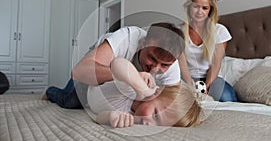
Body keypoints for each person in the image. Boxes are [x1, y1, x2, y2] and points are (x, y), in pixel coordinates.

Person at [43, 22, 186, 109]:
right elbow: (78, 72)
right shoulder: (126, 38)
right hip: (96, 66)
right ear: (143, 43)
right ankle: (51, 91)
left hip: (119, 86)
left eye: (165, 65)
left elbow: (173, 99)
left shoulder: (172, 61)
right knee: (71, 101)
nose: (156, 68)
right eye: (152, 58)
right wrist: (129, 76)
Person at [89, 57, 202, 128]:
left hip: (87, 102)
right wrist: (138, 83)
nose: (149, 123)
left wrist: (110, 117)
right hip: (85, 83)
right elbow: (117, 63)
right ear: (156, 93)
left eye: (158, 125)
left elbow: (98, 117)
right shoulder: (133, 89)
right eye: (155, 115)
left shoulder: (131, 118)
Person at [178, 0, 237, 102]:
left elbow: (216, 63)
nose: (200, 12)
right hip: (186, 78)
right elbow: (182, 63)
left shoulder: (220, 31)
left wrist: (206, 86)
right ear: (189, 7)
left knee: (226, 98)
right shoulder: (179, 31)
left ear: (210, 10)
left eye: (205, 8)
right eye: (196, 6)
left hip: (212, 78)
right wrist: (191, 86)